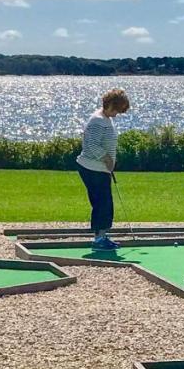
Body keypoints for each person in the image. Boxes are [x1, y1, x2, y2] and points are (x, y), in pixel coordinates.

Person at [76, 87, 130, 250]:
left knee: (103, 203)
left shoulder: (105, 119)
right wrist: (106, 158)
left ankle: (101, 236)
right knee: (103, 203)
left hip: (99, 168)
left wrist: (109, 162)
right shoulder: (98, 120)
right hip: (93, 168)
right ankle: (100, 239)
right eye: (118, 110)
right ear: (111, 105)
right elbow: (91, 145)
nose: (118, 114)